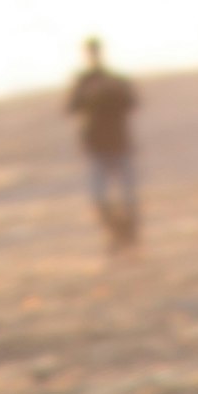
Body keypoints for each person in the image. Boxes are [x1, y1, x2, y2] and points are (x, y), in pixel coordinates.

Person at [62, 36, 141, 250]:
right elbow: (70, 108)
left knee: (128, 198)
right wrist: (89, 95)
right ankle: (118, 236)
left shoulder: (114, 79)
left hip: (118, 143)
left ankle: (129, 238)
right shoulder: (84, 81)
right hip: (97, 146)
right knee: (100, 199)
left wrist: (111, 92)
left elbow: (132, 103)